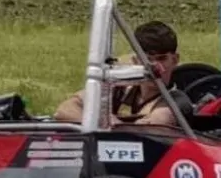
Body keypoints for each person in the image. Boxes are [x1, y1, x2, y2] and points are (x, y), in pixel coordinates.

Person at [53, 20, 181, 126]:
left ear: (175, 60)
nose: (154, 67)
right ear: (136, 61)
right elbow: (64, 110)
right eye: (147, 60)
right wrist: (104, 121)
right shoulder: (120, 89)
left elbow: (149, 128)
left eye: (161, 59)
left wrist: (106, 122)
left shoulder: (177, 101)